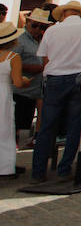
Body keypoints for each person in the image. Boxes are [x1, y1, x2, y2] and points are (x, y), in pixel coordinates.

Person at [31, 0, 81, 182]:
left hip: (55, 78)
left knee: (46, 126)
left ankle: (38, 171)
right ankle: (64, 168)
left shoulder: (52, 30)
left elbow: (45, 57)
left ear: (64, 14)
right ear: (79, 13)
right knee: (75, 125)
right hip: (80, 78)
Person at [0, 20, 33, 179]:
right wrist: (26, 80)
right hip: (4, 94)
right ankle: (4, 167)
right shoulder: (13, 57)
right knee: (5, 130)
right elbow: (18, 83)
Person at [13, 8, 50, 147]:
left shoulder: (42, 41)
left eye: (42, 26)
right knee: (15, 123)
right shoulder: (19, 40)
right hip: (21, 89)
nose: (38, 29)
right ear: (28, 22)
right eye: (35, 25)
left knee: (26, 121)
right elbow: (13, 62)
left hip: (36, 88)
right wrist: (40, 69)